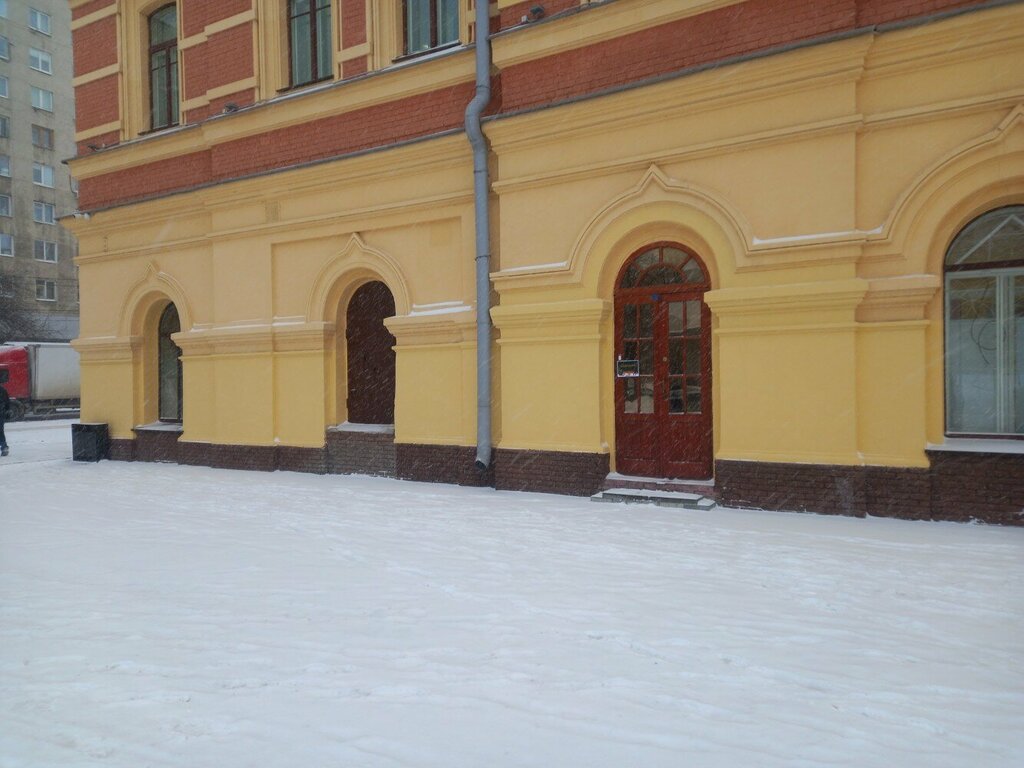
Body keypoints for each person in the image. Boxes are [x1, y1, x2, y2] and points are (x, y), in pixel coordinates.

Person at [0, 371, 9, 457]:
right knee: (0, 431)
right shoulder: (3, 390)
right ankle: (4, 447)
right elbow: (7, 402)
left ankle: (4, 447)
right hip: (1, 413)